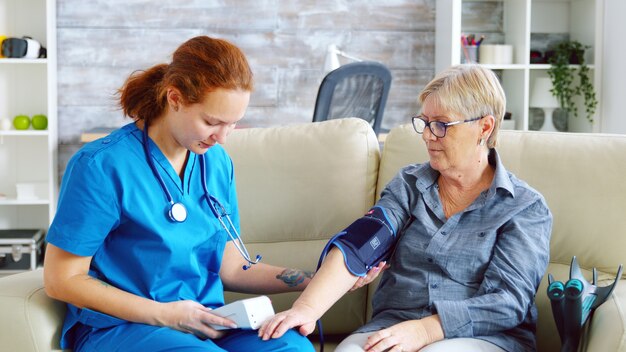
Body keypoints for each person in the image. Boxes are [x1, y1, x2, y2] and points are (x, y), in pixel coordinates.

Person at [44, 35, 380, 352]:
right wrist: (166, 314)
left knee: (291, 346)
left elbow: (232, 268)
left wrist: (320, 280)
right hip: (122, 326)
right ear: (174, 98)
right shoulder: (101, 165)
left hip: (206, 322)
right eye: (211, 122)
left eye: (233, 123)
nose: (222, 137)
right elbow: (62, 280)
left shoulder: (215, 162)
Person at [259, 64, 553, 352]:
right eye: (424, 123)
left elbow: (507, 301)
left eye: (440, 125)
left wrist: (425, 330)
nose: (426, 135)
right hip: (394, 325)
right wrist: (307, 309)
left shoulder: (524, 208)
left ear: (484, 127)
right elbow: (361, 245)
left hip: (486, 337)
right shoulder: (409, 185)